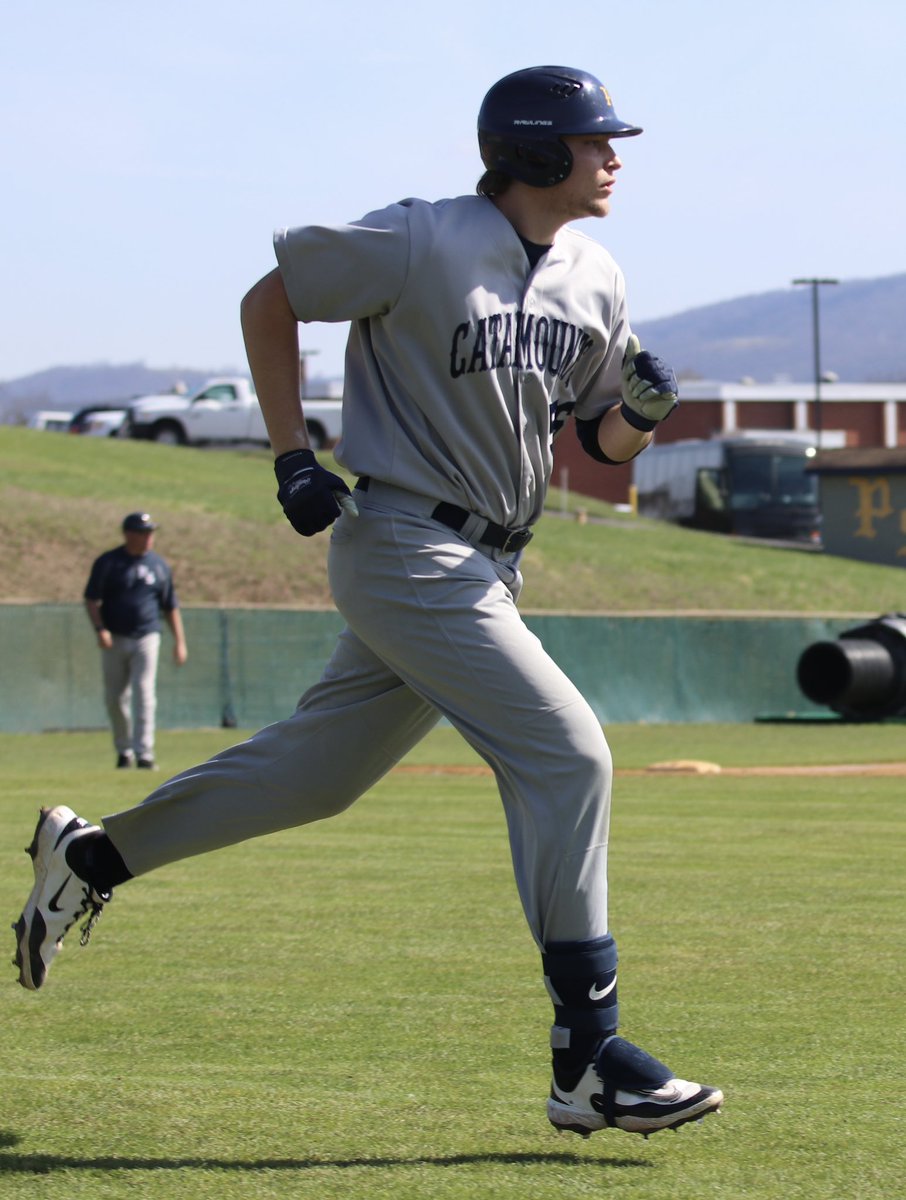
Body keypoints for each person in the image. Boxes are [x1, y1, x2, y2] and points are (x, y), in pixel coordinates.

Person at [13, 66, 723, 1140]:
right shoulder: (421, 237)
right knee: (569, 754)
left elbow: (598, 439)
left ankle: (91, 857)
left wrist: (645, 417)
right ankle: (589, 1057)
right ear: (535, 152)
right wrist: (290, 455)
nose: (613, 156)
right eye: (594, 141)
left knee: (317, 775)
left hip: (488, 564)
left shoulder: (597, 274)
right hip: (403, 542)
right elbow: (271, 298)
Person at [83, 512, 188, 769]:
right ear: (128, 534)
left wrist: (180, 642)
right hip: (115, 637)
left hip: (147, 637)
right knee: (115, 698)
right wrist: (100, 629)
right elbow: (92, 599)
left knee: (144, 693)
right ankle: (124, 750)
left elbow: (170, 606)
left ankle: (145, 754)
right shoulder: (109, 562)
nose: (149, 537)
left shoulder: (159, 565)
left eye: (151, 532)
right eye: (143, 532)